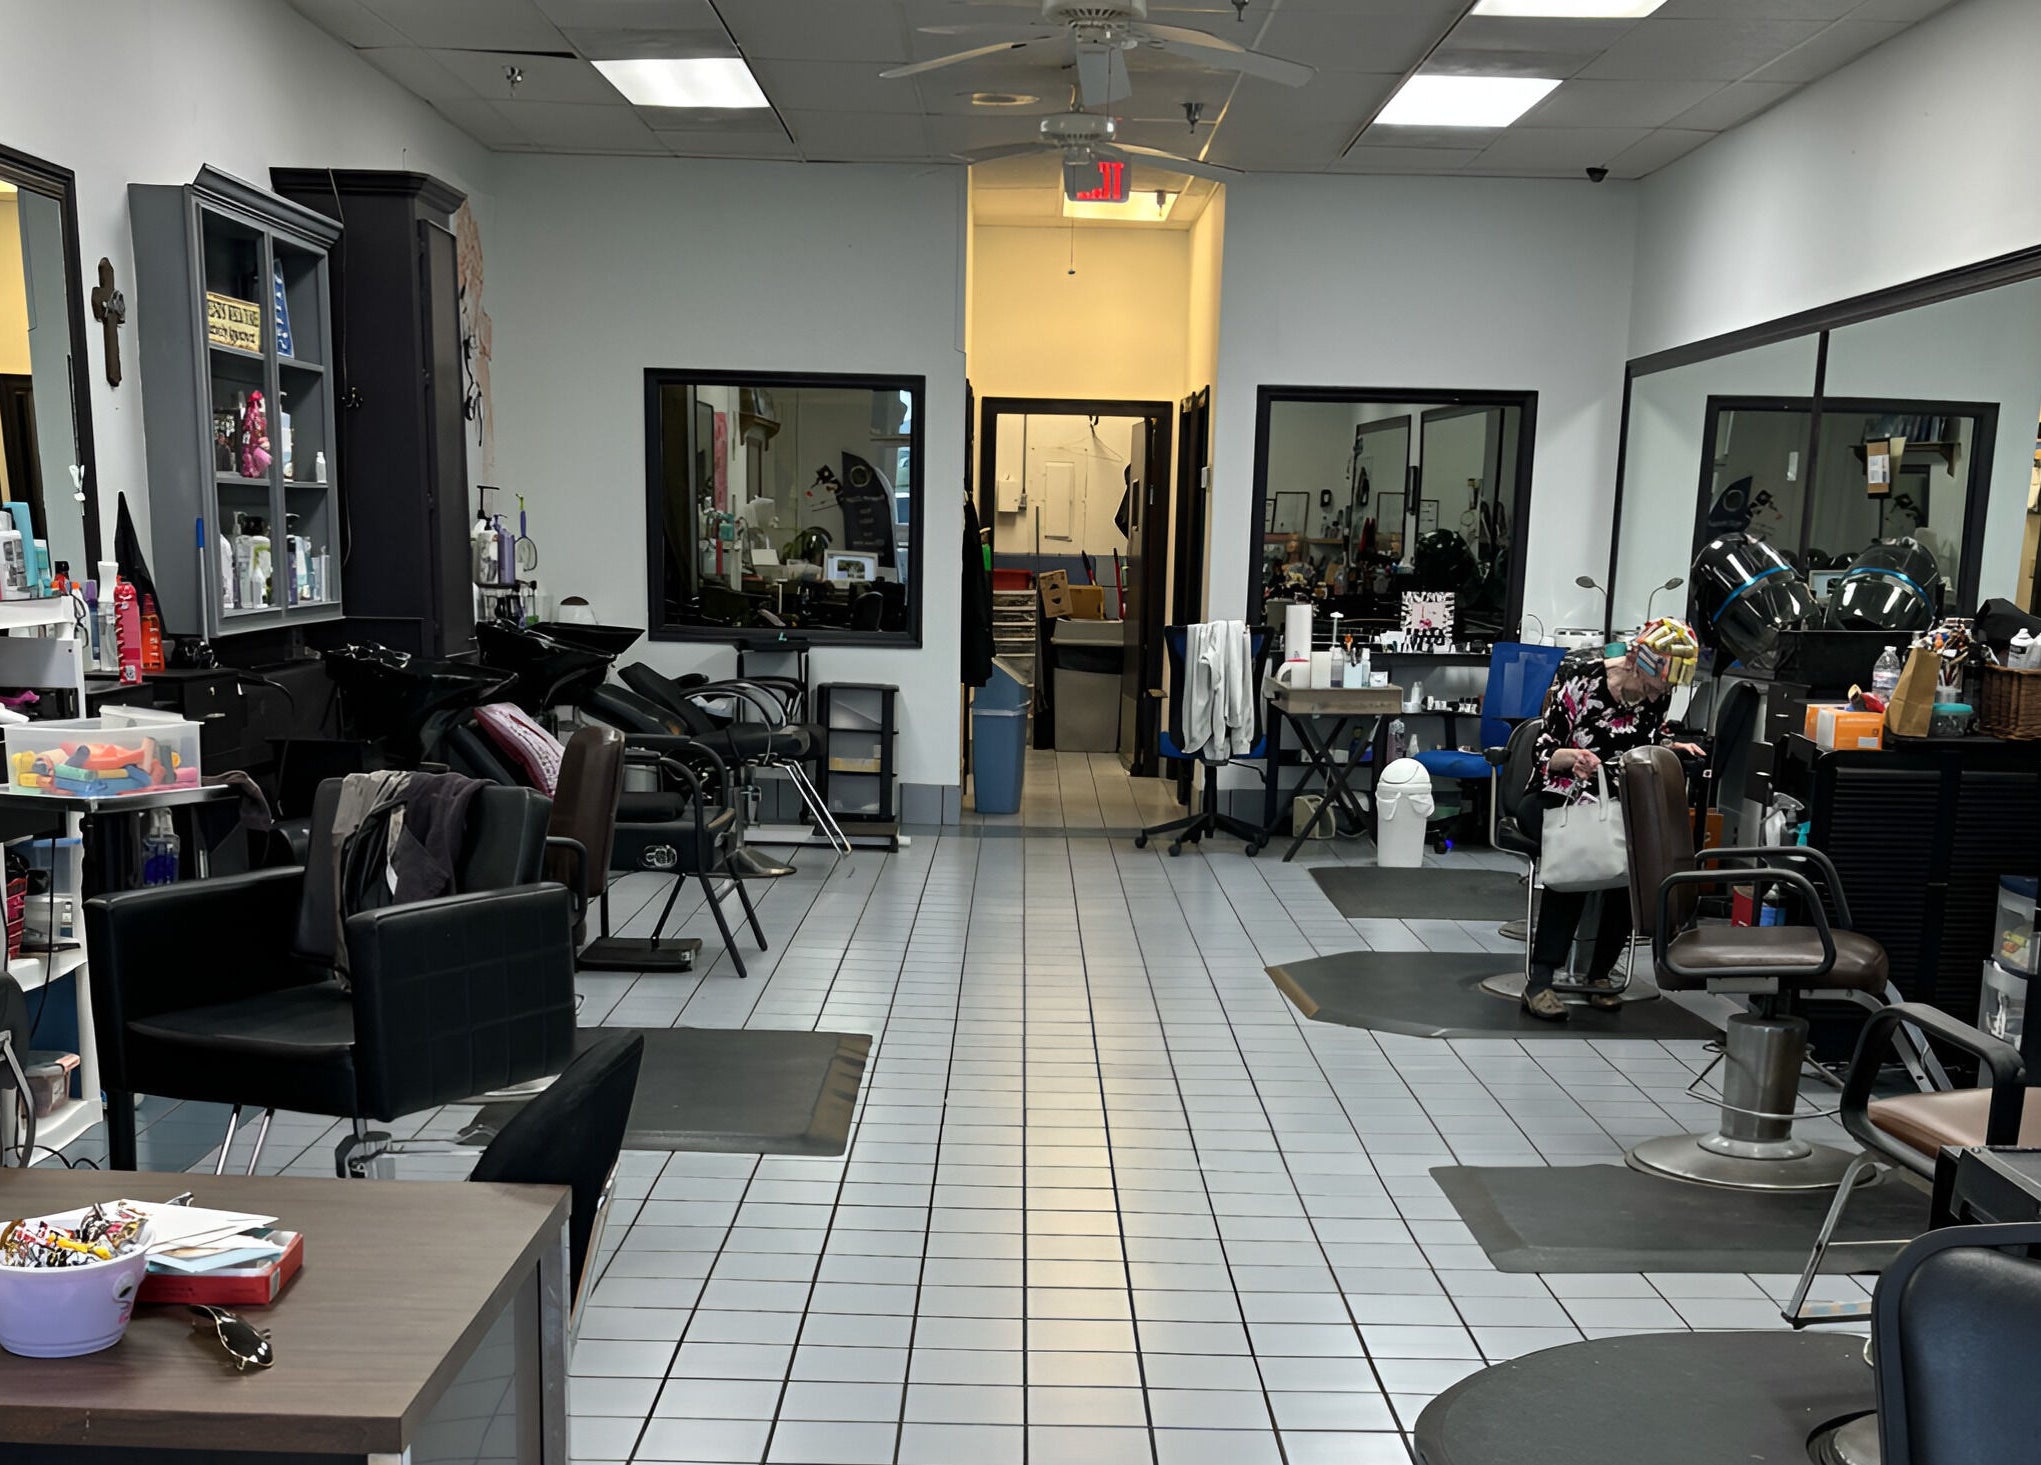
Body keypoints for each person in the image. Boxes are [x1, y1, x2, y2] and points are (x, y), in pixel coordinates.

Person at [1515, 617, 1705, 1021]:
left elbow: (1644, 742)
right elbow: (1544, 752)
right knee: (1581, 857)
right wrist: (1575, 759)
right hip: (1558, 792)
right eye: (1663, 681)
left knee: (1632, 857)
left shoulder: (1658, 696)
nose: (1665, 691)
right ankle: (1541, 980)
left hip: (1616, 800)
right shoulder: (1582, 680)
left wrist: (1673, 747)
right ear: (1644, 661)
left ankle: (1600, 973)